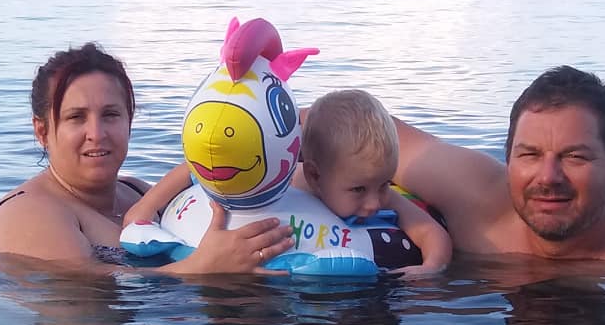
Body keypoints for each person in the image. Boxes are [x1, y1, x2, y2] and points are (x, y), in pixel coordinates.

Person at [0, 42, 292, 273]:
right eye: (76, 117)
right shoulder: (29, 212)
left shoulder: (139, 193)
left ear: (129, 120)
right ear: (42, 131)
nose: (97, 133)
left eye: (110, 114)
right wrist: (202, 268)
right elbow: (82, 294)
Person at [391, 65, 605, 270]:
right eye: (530, 155)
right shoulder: (473, 194)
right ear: (508, 159)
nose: (548, 177)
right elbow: (373, 131)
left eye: (574, 157)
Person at [126, 88, 452, 274]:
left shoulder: (377, 193)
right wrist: (145, 208)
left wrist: (430, 268)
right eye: (358, 190)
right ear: (314, 174)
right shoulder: (282, 181)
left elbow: (430, 232)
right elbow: (195, 171)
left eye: (384, 184)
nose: (374, 202)